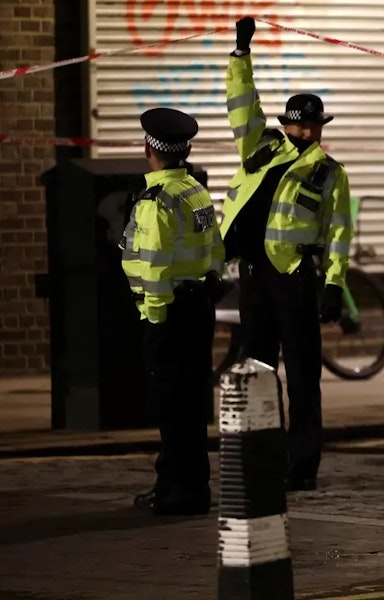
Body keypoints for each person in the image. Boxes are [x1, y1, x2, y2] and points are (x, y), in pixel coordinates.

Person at [221, 16, 353, 493]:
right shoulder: (262, 150)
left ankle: (302, 465)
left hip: (296, 277)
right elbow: (242, 105)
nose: (308, 132)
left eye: (314, 125)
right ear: (288, 123)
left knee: (302, 377)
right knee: (257, 372)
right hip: (255, 276)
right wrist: (241, 55)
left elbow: (339, 233)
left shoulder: (328, 174)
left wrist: (335, 284)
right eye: (302, 123)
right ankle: (263, 454)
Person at [121, 107, 225, 516]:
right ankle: (184, 485)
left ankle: (179, 491)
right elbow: (215, 248)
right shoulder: (194, 190)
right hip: (198, 306)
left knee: (171, 404)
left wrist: (155, 317)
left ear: (149, 149)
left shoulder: (156, 200)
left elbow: (153, 264)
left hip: (169, 314)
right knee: (192, 402)